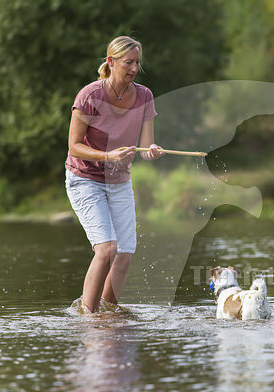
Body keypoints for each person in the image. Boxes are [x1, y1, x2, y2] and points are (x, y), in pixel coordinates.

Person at [65, 36, 164, 313]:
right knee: (107, 249)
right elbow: (74, 145)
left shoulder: (144, 96)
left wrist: (152, 150)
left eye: (137, 63)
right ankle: (89, 316)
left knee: (123, 256)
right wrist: (108, 155)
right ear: (111, 62)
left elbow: (145, 148)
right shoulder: (89, 96)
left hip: (119, 182)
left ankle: (109, 314)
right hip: (84, 179)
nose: (133, 68)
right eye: (128, 63)